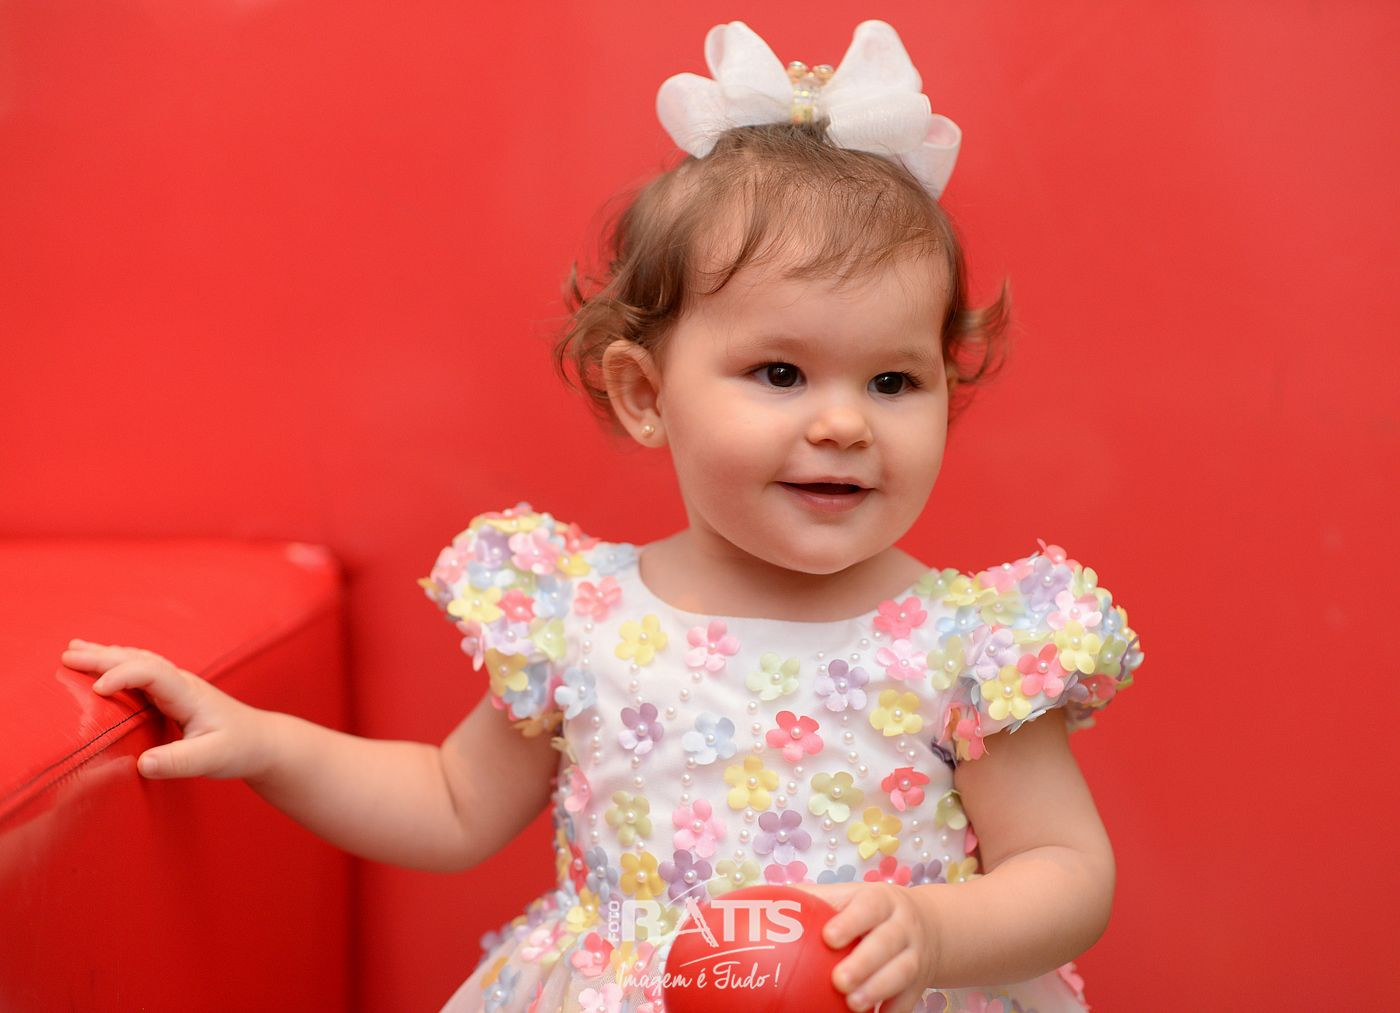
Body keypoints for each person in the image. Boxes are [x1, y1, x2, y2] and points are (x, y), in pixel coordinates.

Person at [59, 19, 1144, 1013]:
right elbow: (448, 802)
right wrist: (266, 745)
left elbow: (1065, 868)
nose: (842, 423)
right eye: (779, 372)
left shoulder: (970, 647)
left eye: (893, 381)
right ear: (642, 393)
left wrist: (933, 928)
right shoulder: (582, 617)